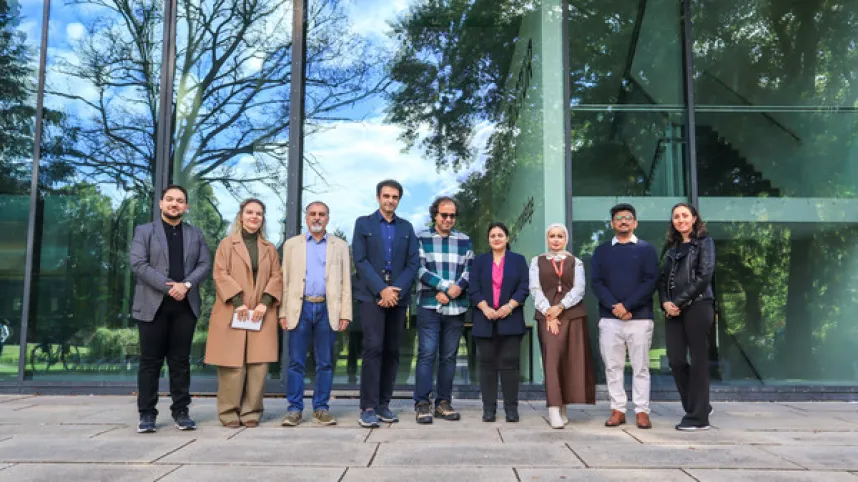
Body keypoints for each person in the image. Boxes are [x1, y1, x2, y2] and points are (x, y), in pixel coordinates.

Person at [130, 185, 211, 433]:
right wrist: (170, 288)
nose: (174, 204)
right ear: (161, 203)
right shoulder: (144, 231)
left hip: (184, 307)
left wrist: (185, 285)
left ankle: (181, 411)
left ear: (186, 206)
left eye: (180, 200)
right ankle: (147, 414)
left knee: (180, 362)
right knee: (150, 363)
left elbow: (205, 264)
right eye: (170, 199)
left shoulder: (195, 234)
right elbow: (138, 264)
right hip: (152, 306)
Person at [205, 198, 282, 428]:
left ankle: (252, 412)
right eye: (249, 212)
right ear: (241, 216)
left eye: (259, 213)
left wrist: (264, 303)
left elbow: (277, 277)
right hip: (233, 310)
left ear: (262, 219)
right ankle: (229, 413)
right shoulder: (227, 245)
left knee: (258, 365)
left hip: (260, 312)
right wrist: (238, 302)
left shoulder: (270, 248)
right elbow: (220, 274)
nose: (254, 217)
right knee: (232, 365)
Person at [352, 179, 419, 428]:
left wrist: (395, 292)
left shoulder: (406, 227)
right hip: (372, 296)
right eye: (386, 196)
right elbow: (360, 260)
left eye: (395, 197)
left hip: (398, 298)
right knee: (373, 348)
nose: (390, 200)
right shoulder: (363, 224)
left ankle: (383, 405)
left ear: (399, 200)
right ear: (378, 197)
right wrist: (382, 289)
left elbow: (413, 263)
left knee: (392, 351)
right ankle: (367, 406)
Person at [279, 201, 352, 427]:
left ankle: (321, 409)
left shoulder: (340, 246)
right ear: (306, 218)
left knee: (325, 362)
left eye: (321, 214)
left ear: (328, 218)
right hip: (299, 308)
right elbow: (284, 281)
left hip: (327, 309)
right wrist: (283, 311)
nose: (317, 218)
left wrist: (345, 313)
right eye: (313, 214)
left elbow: (345, 281)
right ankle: (294, 409)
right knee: (296, 363)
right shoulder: (291, 245)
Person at [590, 204, 659, 429]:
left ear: (635, 223)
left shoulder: (647, 249)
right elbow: (597, 283)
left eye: (628, 218)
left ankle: (642, 411)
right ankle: (618, 409)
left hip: (640, 318)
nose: (623, 221)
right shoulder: (601, 251)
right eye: (618, 218)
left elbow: (650, 281)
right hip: (610, 319)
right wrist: (615, 307)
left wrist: (628, 306)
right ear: (612, 224)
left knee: (641, 367)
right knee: (613, 366)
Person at [413, 196, 473, 424]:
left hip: (456, 307)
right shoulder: (421, 237)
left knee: (449, 357)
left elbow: (470, 269)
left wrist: (453, 291)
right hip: (430, 304)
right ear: (434, 215)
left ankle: (443, 403)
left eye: (452, 215)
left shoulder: (464, 240)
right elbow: (418, 269)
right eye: (444, 215)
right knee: (427, 355)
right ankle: (422, 404)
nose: (448, 219)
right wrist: (445, 287)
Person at [529, 223, 595, 429]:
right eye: (552, 236)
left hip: (571, 315)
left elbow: (580, 288)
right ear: (547, 239)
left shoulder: (576, 262)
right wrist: (548, 311)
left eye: (560, 236)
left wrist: (560, 307)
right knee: (552, 359)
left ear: (565, 238)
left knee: (570, 360)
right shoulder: (537, 261)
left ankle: (564, 406)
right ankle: (553, 409)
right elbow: (535, 288)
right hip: (547, 314)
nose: (556, 240)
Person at [658, 202, 716, 431]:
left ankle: (698, 418)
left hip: (698, 307)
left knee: (699, 361)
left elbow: (704, 276)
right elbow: (661, 280)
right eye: (676, 217)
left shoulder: (704, 243)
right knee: (676, 360)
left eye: (684, 215)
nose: (680, 220)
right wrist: (665, 303)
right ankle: (698, 405)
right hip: (673, 311)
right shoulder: (671, 248)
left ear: (694, 218)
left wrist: (678, 301)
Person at [469, 222, 529, 423]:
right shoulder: (479, 261)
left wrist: (509, 307)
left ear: (507, 238)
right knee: (487, 366)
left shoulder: (518, 261)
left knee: (510, 365)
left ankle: (511, 409)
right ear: (488, 239)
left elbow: (524, 287)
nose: (496, 238)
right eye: (492, 235)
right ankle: (489, 409)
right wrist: (485, 308)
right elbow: (473, 288)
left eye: (500, 235)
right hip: (484, 320)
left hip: (511, 320)